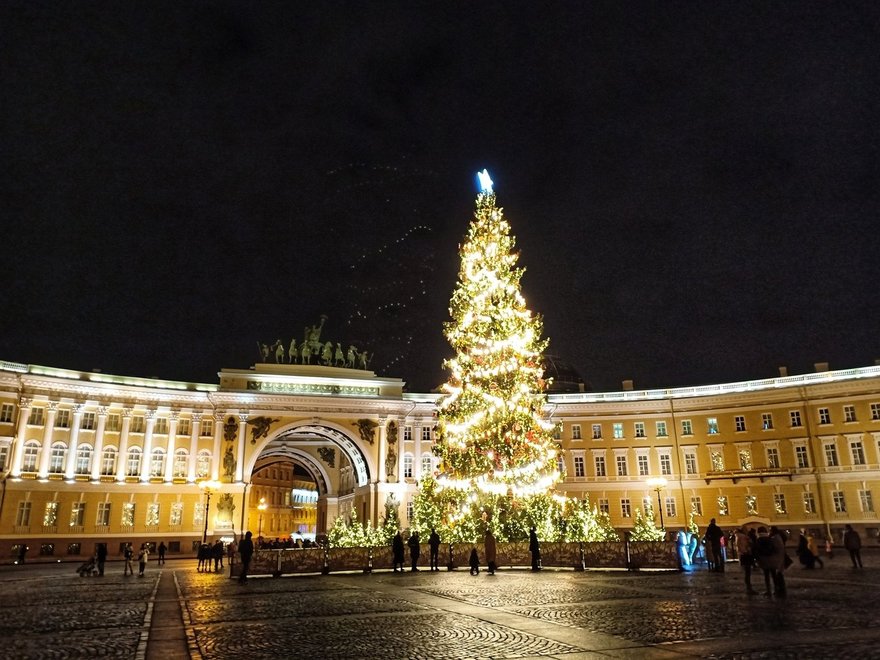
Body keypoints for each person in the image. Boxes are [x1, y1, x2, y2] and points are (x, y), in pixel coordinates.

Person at [754, 526, 786, 597]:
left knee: (766, 576)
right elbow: (775, 549)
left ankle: (768, 591)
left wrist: (757, 559)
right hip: (772, 560)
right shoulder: (770, 539)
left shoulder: (758, 540)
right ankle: (776, 589)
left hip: (764, 560)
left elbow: (756, 551)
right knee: (774, 575)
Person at [734, 527, 757, 594]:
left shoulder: (739, 536)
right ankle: (749, 588)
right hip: (746, 555)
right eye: (746, 530)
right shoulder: (743, 537)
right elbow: (745, 546)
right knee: (748, 572)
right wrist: (747, 550)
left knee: (747, 572)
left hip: (743, 555)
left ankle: (749, 588)